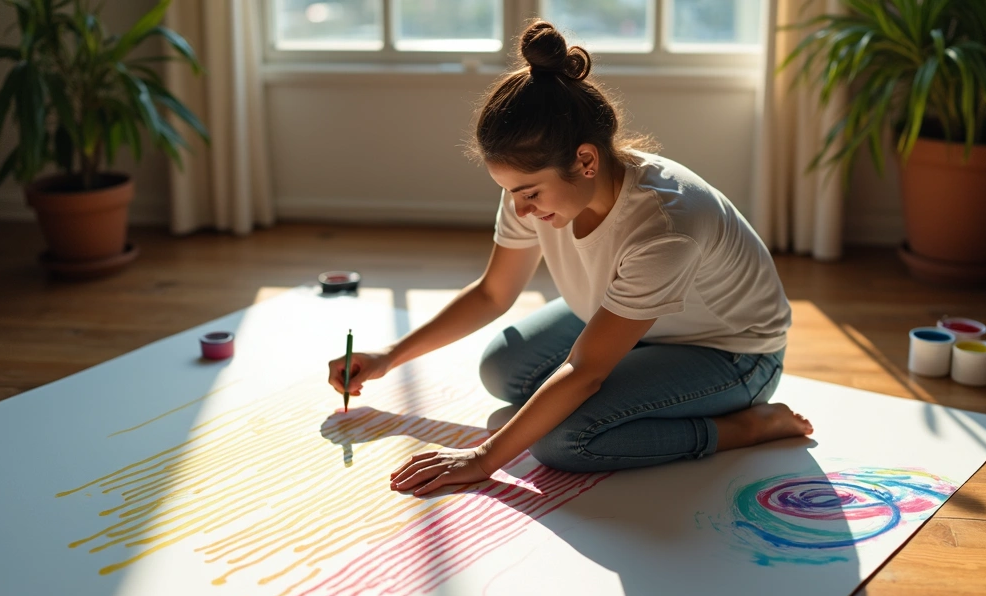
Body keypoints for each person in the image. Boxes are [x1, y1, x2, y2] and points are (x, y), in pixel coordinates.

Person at [328, 20, 813, 497]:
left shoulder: (663, 228)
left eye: (529, 193)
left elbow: (586, 373)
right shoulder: (533, 190)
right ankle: (639, 367)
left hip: (731, 351)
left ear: (586, 161)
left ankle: (747, 427)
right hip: (642, 319)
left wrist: (484, 458)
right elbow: (493, 293)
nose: (520, 208)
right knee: (501, 370)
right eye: (509, 192)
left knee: (564, 441)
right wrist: (389, 357)